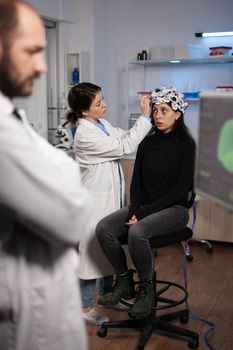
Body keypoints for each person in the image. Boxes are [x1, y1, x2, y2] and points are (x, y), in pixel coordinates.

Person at [0, 1, 92, 350]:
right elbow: (72, 217)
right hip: (29, 316)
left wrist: (61, 173)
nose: (41, 66)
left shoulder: (11, 119)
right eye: (32, 51)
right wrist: (66, 172)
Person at [96, 86, 196, 319]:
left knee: (137, 232)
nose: (158, 116)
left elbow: (181, 189)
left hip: (175, 209)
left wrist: (142, 214)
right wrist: (133, 210)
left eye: (164, 111)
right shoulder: (146, 142)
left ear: (177, 114)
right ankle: (124, 280)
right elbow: (137, 183)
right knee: (104, 228)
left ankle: (147, 288)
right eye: (155, 111)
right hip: (143, 208)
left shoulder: (186, 144)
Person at [67, 82, 152, 324]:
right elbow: (125, 146)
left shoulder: (100, 124)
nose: (105, 105)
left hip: (109, 203)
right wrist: (144, 118)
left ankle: (110, 296)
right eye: (98, 103)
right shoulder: (84, 134)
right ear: (84, 111)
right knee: (90, 258)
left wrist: (144, 123)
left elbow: (124, 135)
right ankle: (84, 309)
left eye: (102, 99)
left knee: (109, 251)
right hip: (93, 206)